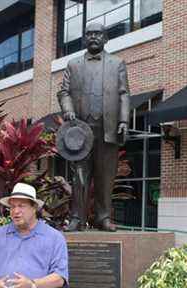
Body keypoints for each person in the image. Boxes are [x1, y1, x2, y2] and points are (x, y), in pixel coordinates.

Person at [57, 22, 130, 232]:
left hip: (108, 129)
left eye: (98, 34)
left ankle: (103, 217)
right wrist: (68, 110)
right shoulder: (73, 64)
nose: (93, 37)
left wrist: (124, 121)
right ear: (84, 39)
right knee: (79, 177)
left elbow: (124, 94)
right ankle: (76, 218)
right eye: (89, 34)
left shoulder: (118, 63)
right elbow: (64, 93)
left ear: (105, 38)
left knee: (105, 176)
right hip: (80, 131)